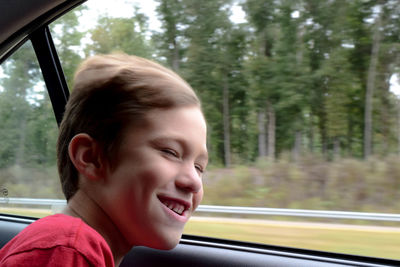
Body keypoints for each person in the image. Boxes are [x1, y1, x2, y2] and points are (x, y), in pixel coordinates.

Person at [0, 54, 208, 266]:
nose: (194, 182)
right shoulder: (68, 251)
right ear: (91, 158)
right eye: (170, 152)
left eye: (199, 167)